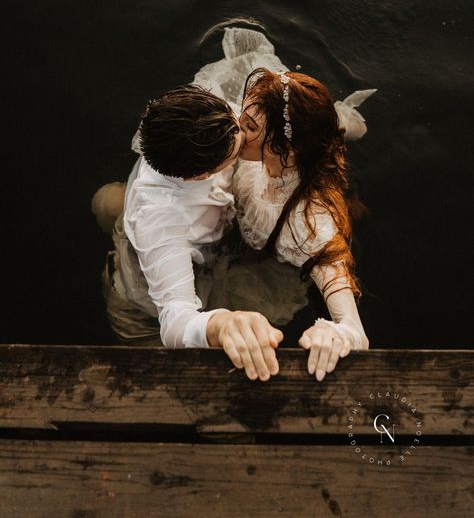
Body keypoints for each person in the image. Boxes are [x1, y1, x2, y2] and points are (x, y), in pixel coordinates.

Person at [92, 27, 375, 383]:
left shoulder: (212, 115)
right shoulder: (163, 218)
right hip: (146, 304)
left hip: (200, 240)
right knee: (159, 373)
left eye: (244, 121)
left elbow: (283, 115)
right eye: (243, 131)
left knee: (108, 201)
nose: (240, 128)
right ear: (202, 175)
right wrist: (221, 321)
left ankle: (115, 210)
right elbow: (175, 319)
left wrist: (330, 125)